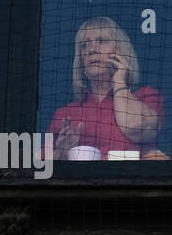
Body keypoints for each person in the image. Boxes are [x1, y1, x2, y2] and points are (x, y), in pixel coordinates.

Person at [48, 17, 164, 160]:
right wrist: (62, 153)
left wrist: (119, 82)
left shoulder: (146, 96)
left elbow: (136, 128)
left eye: (102, 41)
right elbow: (40, 171)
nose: (92, 50)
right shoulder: (65, 114)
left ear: (121, 52)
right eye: (85, 45)